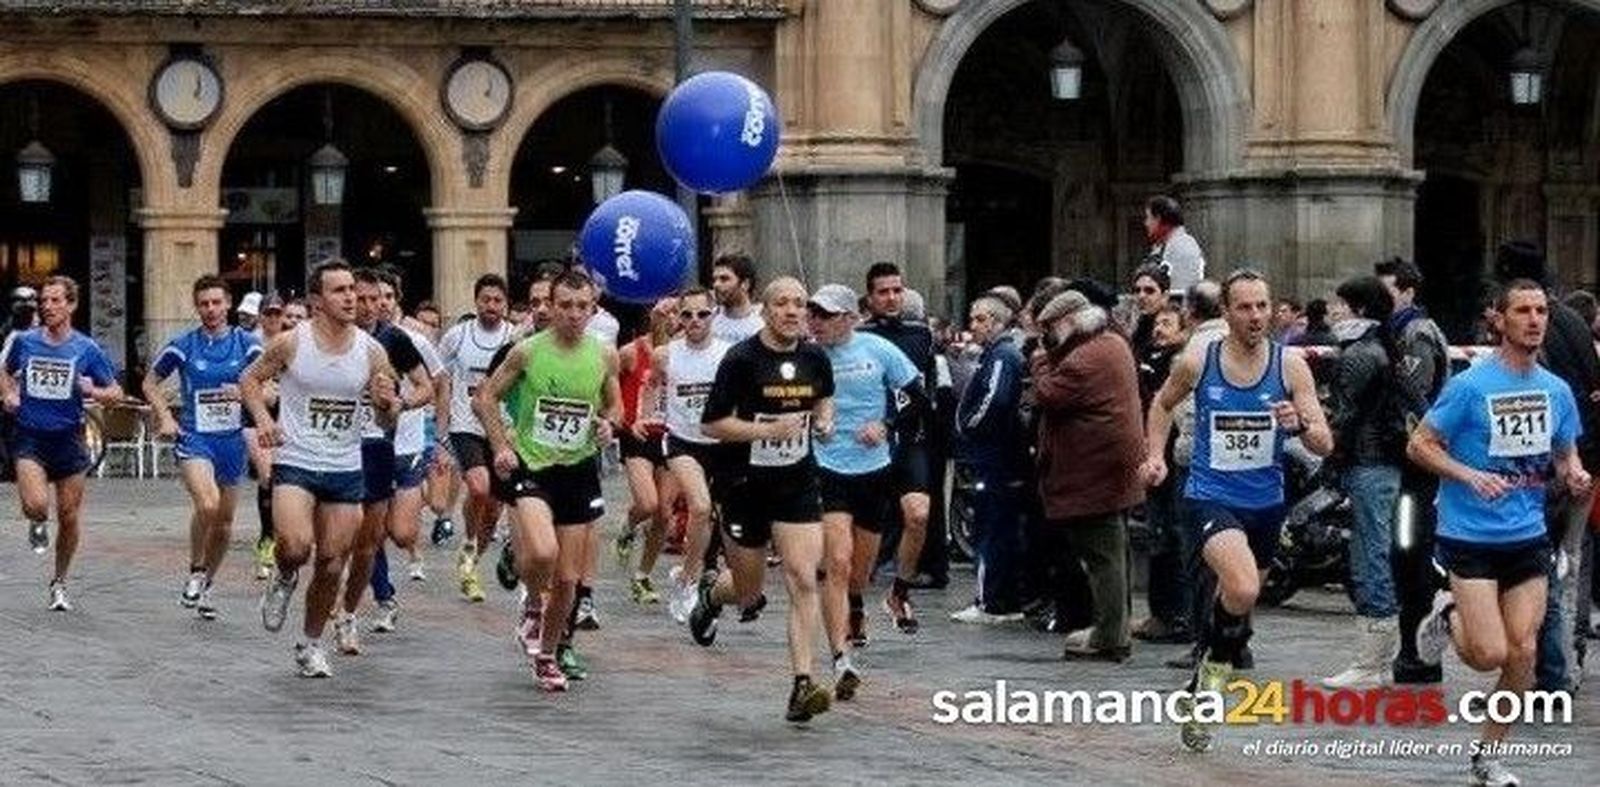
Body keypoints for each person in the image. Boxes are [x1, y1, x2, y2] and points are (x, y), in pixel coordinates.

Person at [1141, 269, 1332, 751]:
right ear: (1225, 313)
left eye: (1263, 307)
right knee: (1242, 586)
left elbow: (1324, 442)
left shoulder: (1290, 367)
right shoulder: (1198, 360)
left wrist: (1299, 422)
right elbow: (1162, 406)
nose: (1255, 316)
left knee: (1243, 606)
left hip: (1266, 503)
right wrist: (1154, 456)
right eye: (1244, 307)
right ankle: (1211, 677)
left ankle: (1208, 675)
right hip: (1210, 494)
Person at [1408, 278, 1589, 787]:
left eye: (1541, 312)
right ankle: (1447, 613)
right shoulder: (1470, 386)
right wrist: (1468, 475)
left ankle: (1487, 756)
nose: (1534, 320)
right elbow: (1420, 445)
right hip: (1469, 534)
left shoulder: (1556, 391)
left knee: (1523, 651)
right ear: (1500, 321)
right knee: (1488, 654)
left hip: (1527, 534)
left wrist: (1572, 470)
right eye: (1523, 311)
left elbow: (1563, 450)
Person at [686, 277, 837, 723]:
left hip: (796, 482)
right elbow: (712, 424)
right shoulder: (741, 359)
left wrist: (824, 421)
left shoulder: (814, 357)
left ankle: (802, 684)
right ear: (766, 311)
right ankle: (713, 595)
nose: (792, 311)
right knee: (749, 589)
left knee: (803, 578)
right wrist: (767, 431)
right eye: (782, 304)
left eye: (799, 304)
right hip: (744, 485)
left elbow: (824, 398)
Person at [241, 260, 402, 677]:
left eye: (352, 288)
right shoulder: (292, 343)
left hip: (346, 466)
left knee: (332, 562)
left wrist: (389, 405)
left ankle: (310, 644)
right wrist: (263, 420)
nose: (351, 297)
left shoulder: (372, 350)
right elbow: (250, 381)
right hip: (296, 458)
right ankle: (284, 573)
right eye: (339, 291)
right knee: (295, 546)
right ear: (316, 301)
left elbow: (387, 422)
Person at [474, 269, 621, 691]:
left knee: (569, 580)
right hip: (532, 466)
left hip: (577, 470)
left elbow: (615, 407)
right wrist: (501, 445)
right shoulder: (527, 351)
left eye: (582, 306)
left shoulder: (604, 354)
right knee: (542, 551)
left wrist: (609, 426)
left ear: (593, 309)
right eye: (565, 306)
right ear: (551, 307)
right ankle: (534, 608)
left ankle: (547, 655)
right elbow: (486, 397)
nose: (574, 314)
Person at [1493, 240, 1599, 693]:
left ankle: (1546, 672)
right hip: (1582, 460)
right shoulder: (1573, 321)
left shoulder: (1534, 340)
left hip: (1544, 470)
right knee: (1566, 565)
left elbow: (1533, 401)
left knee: (1537, 569)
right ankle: (1561, 666)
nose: (1532, 320)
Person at [807, 283, 923, 696]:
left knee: (861, 569)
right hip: (826, 467)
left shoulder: (877, 350)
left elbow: (916, 396)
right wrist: (812, 419)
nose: (814, 322)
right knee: (836, 562)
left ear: (848, 319)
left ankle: (856, 603)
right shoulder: (808, 355)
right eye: (811, 314)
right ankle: (841, 660)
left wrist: (886, 425)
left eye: (823, 315)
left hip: (873, 470)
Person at [1030, 289, 1145, 661]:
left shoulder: (1083, 359)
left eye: (1047, 329)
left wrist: (1041, 360)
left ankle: (1110, 636)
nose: (1044, 337)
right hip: (1112, 467)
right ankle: (1114, 628)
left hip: (1093, 470)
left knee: (1102, 557)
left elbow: (1047, 394)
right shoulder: (1112, 342)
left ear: (1065, 324)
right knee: (1114, 551)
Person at [0, 276, 123, 611]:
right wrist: (9, 393)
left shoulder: (86, 348)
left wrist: (91, 390)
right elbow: (5, 372)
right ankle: (37, 522)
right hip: (30, 437)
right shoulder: (24, 342)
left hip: (69, 439)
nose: (48, 306)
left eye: (56, 300)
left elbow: (115, 393)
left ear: (71, 305)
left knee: (69, 515)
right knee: (38, 505)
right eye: (45, 301)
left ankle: (59, 581)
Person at [144, 275, 262, 620]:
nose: (210, 310)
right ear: (196, 307)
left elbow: (269, 389)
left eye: (216, 303)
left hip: (231, 440)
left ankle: (207, 584)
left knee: (224, 522)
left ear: (228, 304)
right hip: (195, 437)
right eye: (204, 304)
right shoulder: (184, 344)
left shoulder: (247, 344)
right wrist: (165, 416)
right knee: (207, 504)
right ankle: (196, 568)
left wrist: (246, 393)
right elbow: (150, 383)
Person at [330, 268, 433, 653]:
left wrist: (400, 403)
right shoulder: (327, 338)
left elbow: (426, 385)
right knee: (337, 535)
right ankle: (336, 595)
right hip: (333, 447)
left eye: (378, 299)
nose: (371, 307)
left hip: (376, 445)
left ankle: (352, 609)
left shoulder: (394, 339)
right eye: (363, 299)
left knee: (369, 538)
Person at [1320, 276, 1405, 688]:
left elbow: (1345, 415)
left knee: (1370, 557)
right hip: (1382, 465)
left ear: (1359, 309)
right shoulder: (1384, 348)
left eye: (1340, 304)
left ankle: (1373, 662)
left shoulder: (1359, 355)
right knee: (1374, 553)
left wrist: (1324, 442)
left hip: (1369, 464)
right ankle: (1375, 659)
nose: (1334, 312)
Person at [634, 289, 737, 623]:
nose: (694, 321)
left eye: (702, 314)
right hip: (682, 442)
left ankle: (687, 573)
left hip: (721, 443)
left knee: (718, 516)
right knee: (701, 507)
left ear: (714, 316)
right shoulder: (666, 353)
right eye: (687, 314)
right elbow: (651, 383)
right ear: (678, 318)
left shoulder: (729, 353)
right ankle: (690, 584)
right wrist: (643, 416)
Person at [1376, 258, 1453, 685]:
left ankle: (1421, 655)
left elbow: (1415, 399)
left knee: (1412, 552)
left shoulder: (1416, 334)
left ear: (1407, 291)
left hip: (1416, 469)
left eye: (1387, 292)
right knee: (1406, 555)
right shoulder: (1399, 332)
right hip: (1410, 465)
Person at [860, 262, 939, 633]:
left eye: (897, 290)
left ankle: (900, 591)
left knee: (918, 515)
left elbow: (929, 388)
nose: (892, 298)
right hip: (865, 444)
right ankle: (853, 604)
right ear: (870, 297)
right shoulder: (857, 336)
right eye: (883, 292)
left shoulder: (921, 334)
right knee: (865, 529)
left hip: (910, 439)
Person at [369, 275, 444, 633]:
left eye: (385, 296)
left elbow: (434, 383)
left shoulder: (408, 339)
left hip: (409, 444)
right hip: (367, 447)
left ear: (396, 299)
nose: (378, 303)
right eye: (371, 296)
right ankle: (383, 596)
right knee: (368, 532)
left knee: (400, 532)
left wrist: (406, 406)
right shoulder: (344, 339)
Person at [950, 294, 1028, 624]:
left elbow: (993, 401)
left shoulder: (1001, 355)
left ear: (997, 322)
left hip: (995, 454)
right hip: (999, 454)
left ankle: (990, 600)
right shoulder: (997, 354)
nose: (974, 326)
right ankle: (1004, 598)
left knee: (991, 527)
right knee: (999, 526)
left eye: (981, 319)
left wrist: (969, 427)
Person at [436, 274, 513, 603]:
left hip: (501, 428)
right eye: (486, 300)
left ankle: (471, 563)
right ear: (476, 301)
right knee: (479, 487)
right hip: (465, 424)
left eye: (497, 301)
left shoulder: (516, 337)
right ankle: (468, 539)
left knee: (494, 508)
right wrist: (441, 427)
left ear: (505, 304)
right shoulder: (457, 336)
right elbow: (441, 380)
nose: (491, 306)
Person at [1132, 303, 1193, 644]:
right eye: (1157, 323)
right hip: (1155, 457)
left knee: (1173, 535)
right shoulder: (1150, 360)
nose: (1159, 329)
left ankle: (1178, 615)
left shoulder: (1180, 364)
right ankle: (1162, 612)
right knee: (1159, 534)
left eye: (1167, 323)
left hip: (1172, 460)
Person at [613, 299, 677, 606]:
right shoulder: (630, 352)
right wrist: (625, 422)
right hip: (638, 435)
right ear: (650, 315)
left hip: (672, 437)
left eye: (677, 312)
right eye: (664, 312)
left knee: (665, 513)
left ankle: (642, 575)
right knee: (648, 503)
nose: (671, 318)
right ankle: (629, 525)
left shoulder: (687, 355)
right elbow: (608, 390)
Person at [1143, 195, 1205, 294]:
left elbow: (1181, 295)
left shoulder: (1183, 247)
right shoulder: (1167, 245)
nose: (1146, 223)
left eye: (1148, 218)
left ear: (1158, 219)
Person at [709, 253, 763, 344]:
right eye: (715, 280)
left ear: (745, 284)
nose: (716, 285)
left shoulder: (763, 323)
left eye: (724, 279)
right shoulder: (707, 319)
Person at [1129, 265, 1171, 358]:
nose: (1141, 296)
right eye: (1137, 290)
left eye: (1149, 291)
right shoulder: (1139, 326)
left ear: (1165, 296)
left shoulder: (1173, 331)